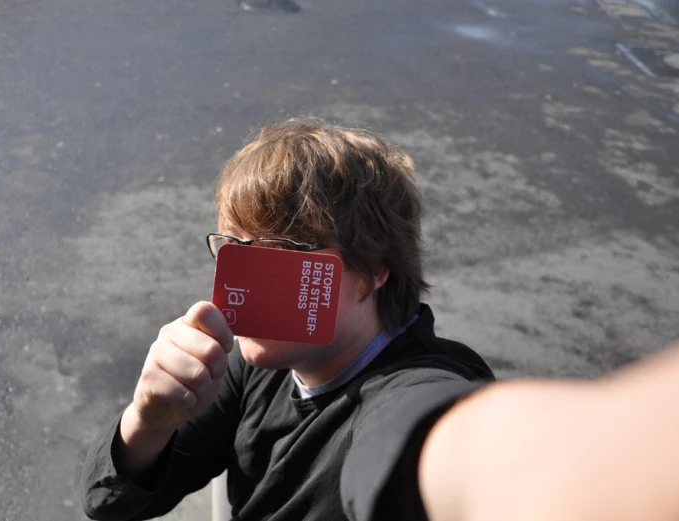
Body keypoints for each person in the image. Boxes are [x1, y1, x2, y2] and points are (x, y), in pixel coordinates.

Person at [80, 118, 679, 521]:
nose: (244, 276)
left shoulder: (412, 389)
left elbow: (460, 448)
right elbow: (109, 503)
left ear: (373, 273)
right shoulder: (255, 362)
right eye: (236, 245)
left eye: (286, 251)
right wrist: (147, 421)